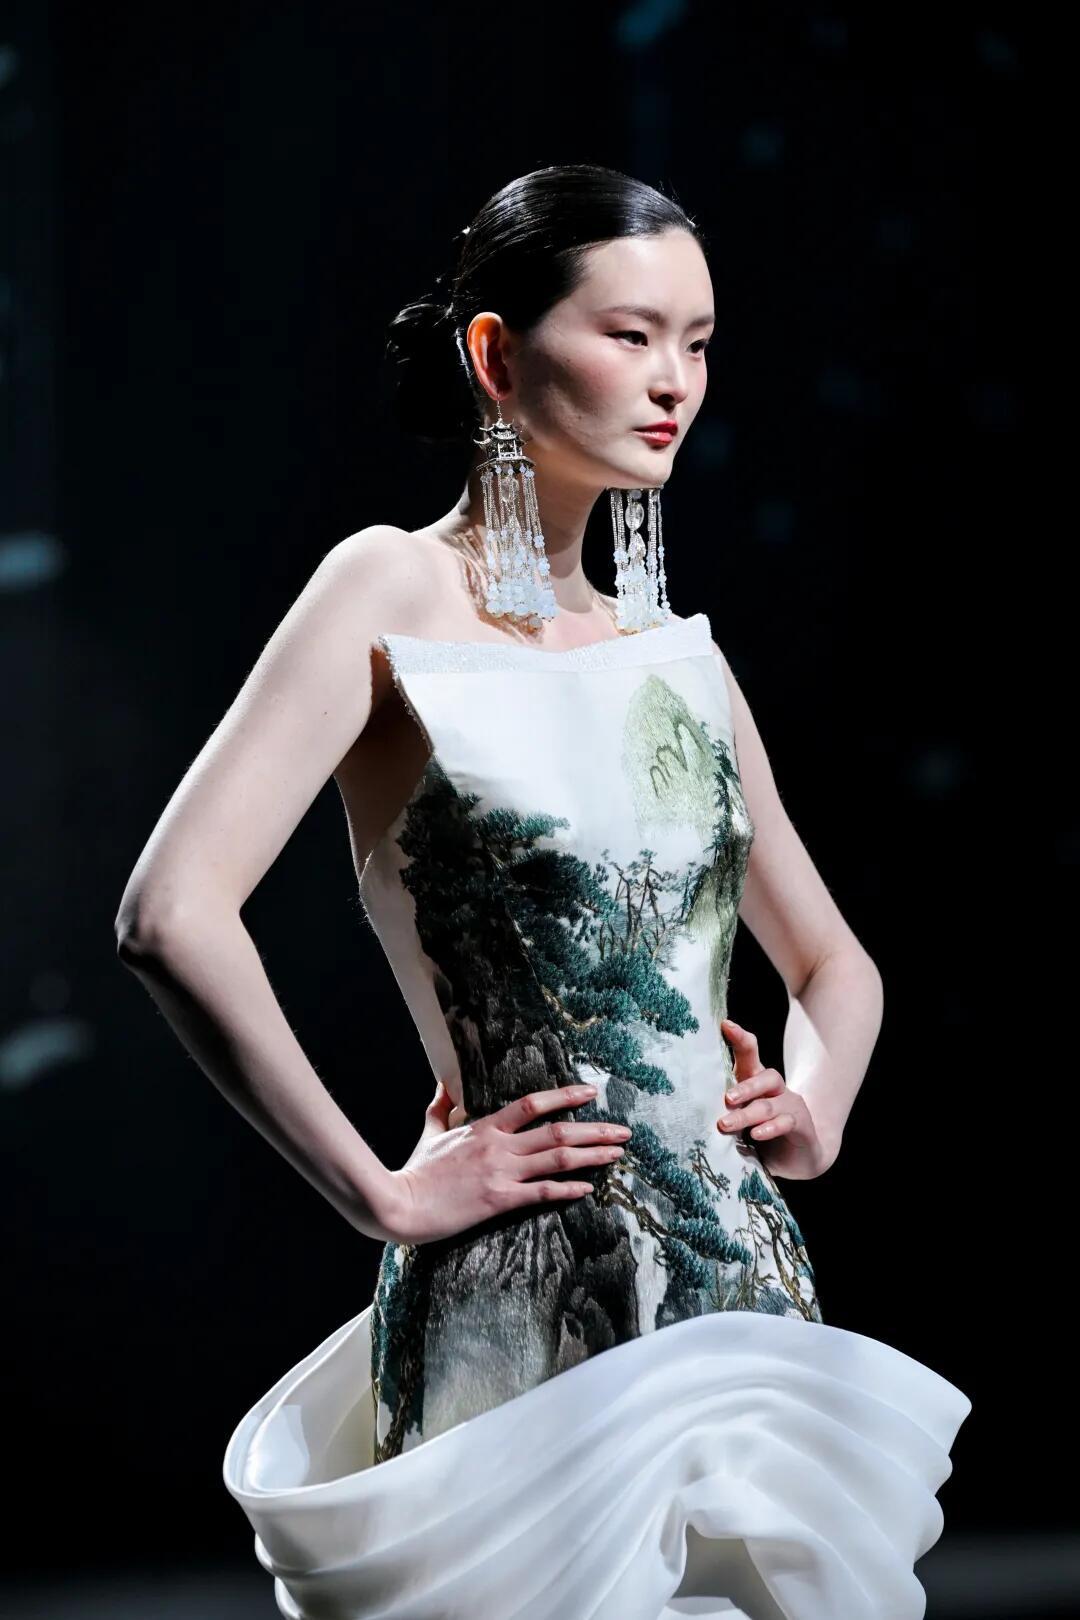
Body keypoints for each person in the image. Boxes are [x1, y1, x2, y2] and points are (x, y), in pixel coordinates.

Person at [115, 163, 972, 1619]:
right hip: (521, 1296)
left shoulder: (676, 658)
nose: (675, 381)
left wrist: (816, 1104)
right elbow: (169, 913)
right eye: (630, 335)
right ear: (497, 355)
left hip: (739, 1298)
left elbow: (837, 966)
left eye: (698, 342)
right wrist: (381, 1194)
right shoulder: (385, 591)